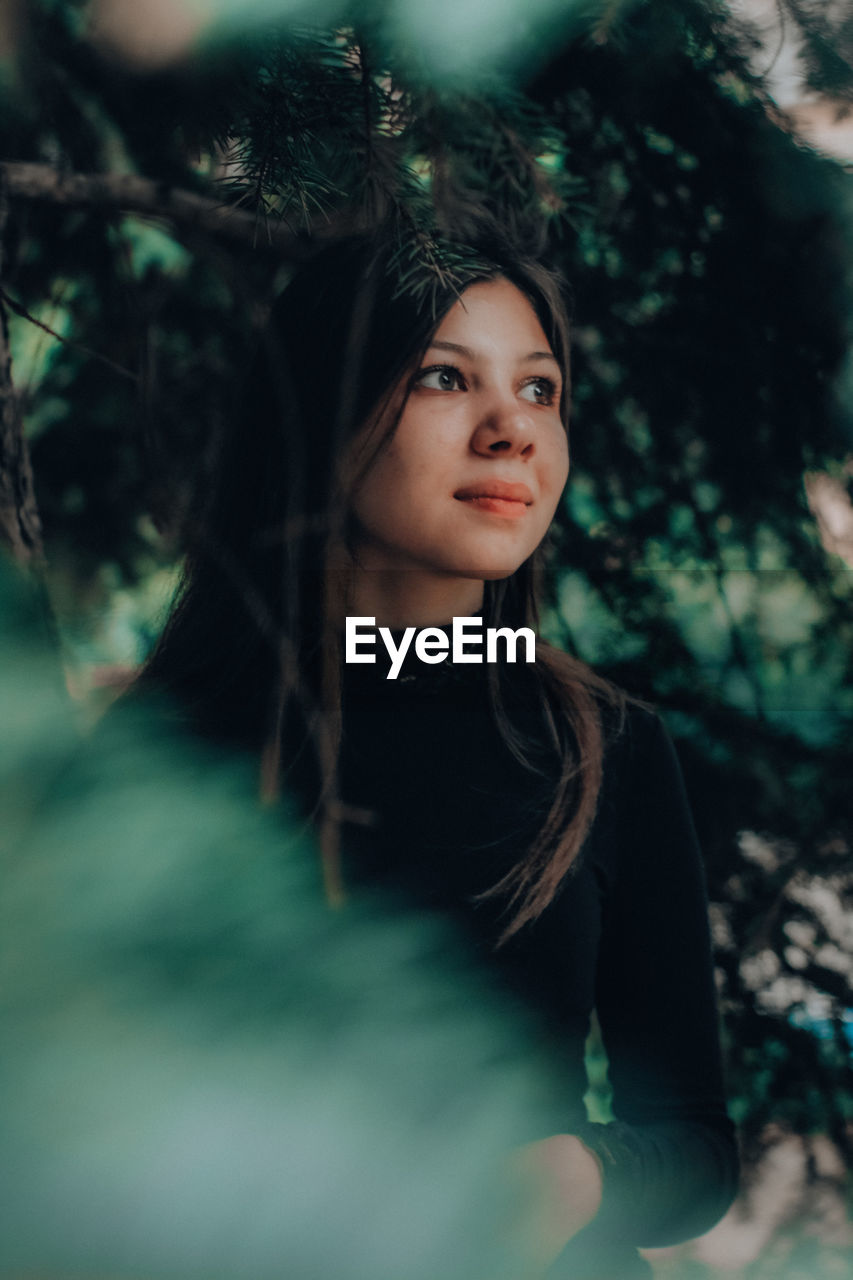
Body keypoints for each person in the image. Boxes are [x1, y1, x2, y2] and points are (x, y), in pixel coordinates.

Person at [139, 229, 740, 1277]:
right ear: (325, 410)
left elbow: (695, 1147)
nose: (512, 430)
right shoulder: (173, 738)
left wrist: (578, 1173)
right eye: (445, 378)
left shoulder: (607, 744)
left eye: (541, 389)